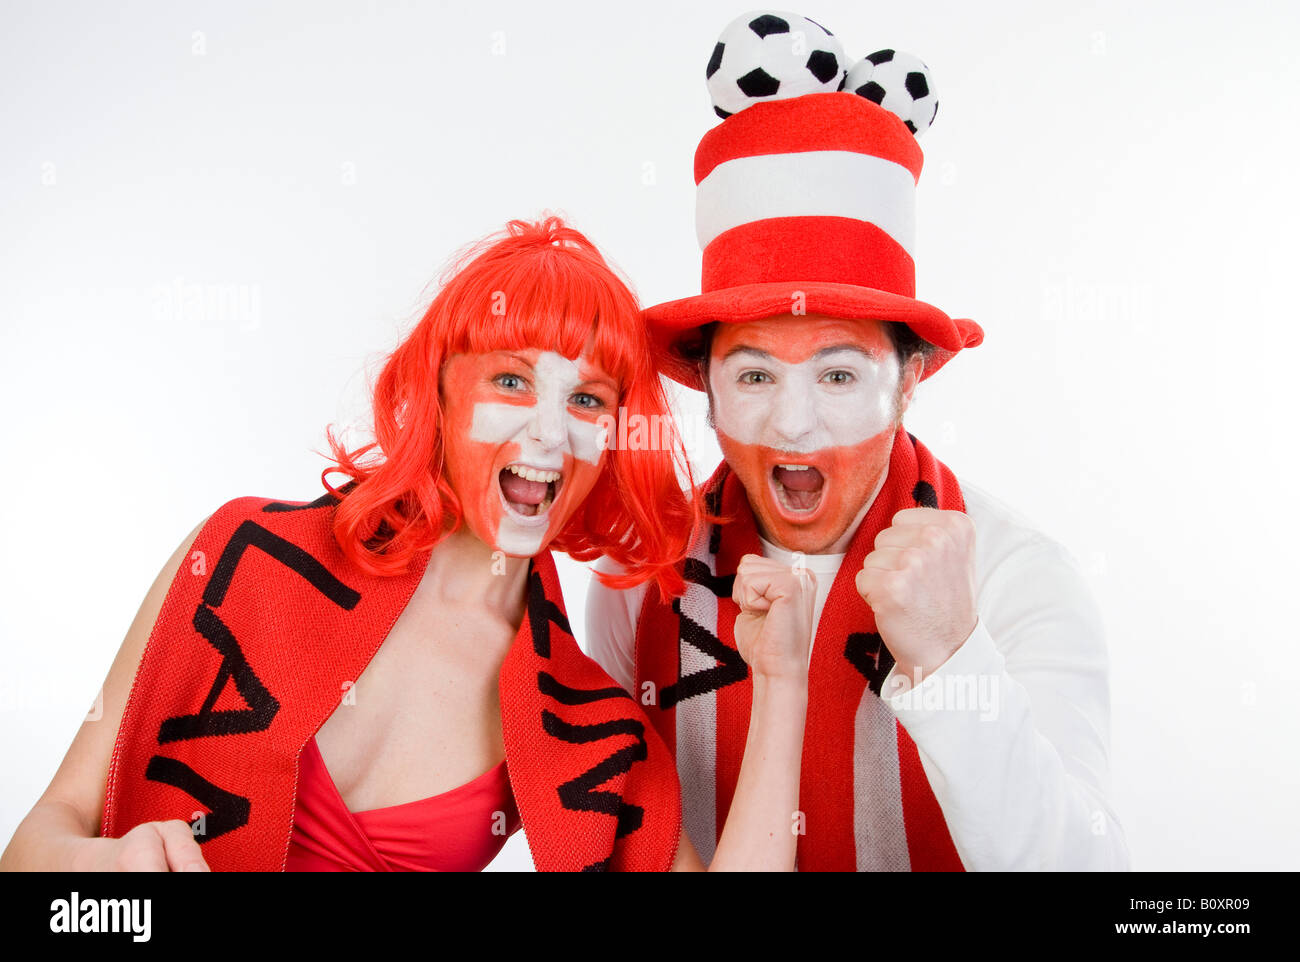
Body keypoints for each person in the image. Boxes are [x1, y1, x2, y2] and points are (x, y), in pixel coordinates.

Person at [0, 215, 811, 872]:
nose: (549, 432)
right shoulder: (238, 554)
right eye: (511, 380)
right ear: (443, 390)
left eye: (589, 399)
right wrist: (107, 877)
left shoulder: (589, 722)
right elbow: (35, 845)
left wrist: (781, 682)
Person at [586, 12, 1131, 871]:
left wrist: (953, 658)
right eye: (755, 376)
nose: (793, 425)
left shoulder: (1018, 577)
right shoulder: (638, 579)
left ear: (910, 380)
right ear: (705, 381)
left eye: (839, 377)